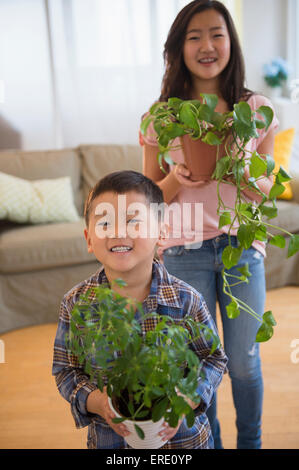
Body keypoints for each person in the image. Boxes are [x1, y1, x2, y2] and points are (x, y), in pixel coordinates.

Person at [140, 0, 279, 449]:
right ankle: (209, 445)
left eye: (216, 34)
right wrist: (174, 180)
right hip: (182, 251)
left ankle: (250, 443)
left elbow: (267, 189)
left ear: (230, 43)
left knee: (243, 362)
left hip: (241, 246)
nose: (206, 45)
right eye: (193, 36)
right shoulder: (161, 117)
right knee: (200, 365)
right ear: (179, 48)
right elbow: (148, 199)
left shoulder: (255, 110)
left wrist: (242, 167)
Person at [52, 170, 228, 449]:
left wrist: (186, 398)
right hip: (110, 443)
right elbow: (66, 370)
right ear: (88, 238)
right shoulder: (76, 304)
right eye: (105, 223)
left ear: (161, 233)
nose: (119, 232)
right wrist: (98, 402)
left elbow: (213, 359)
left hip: (182, 442)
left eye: (133, 221)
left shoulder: (187, 299)